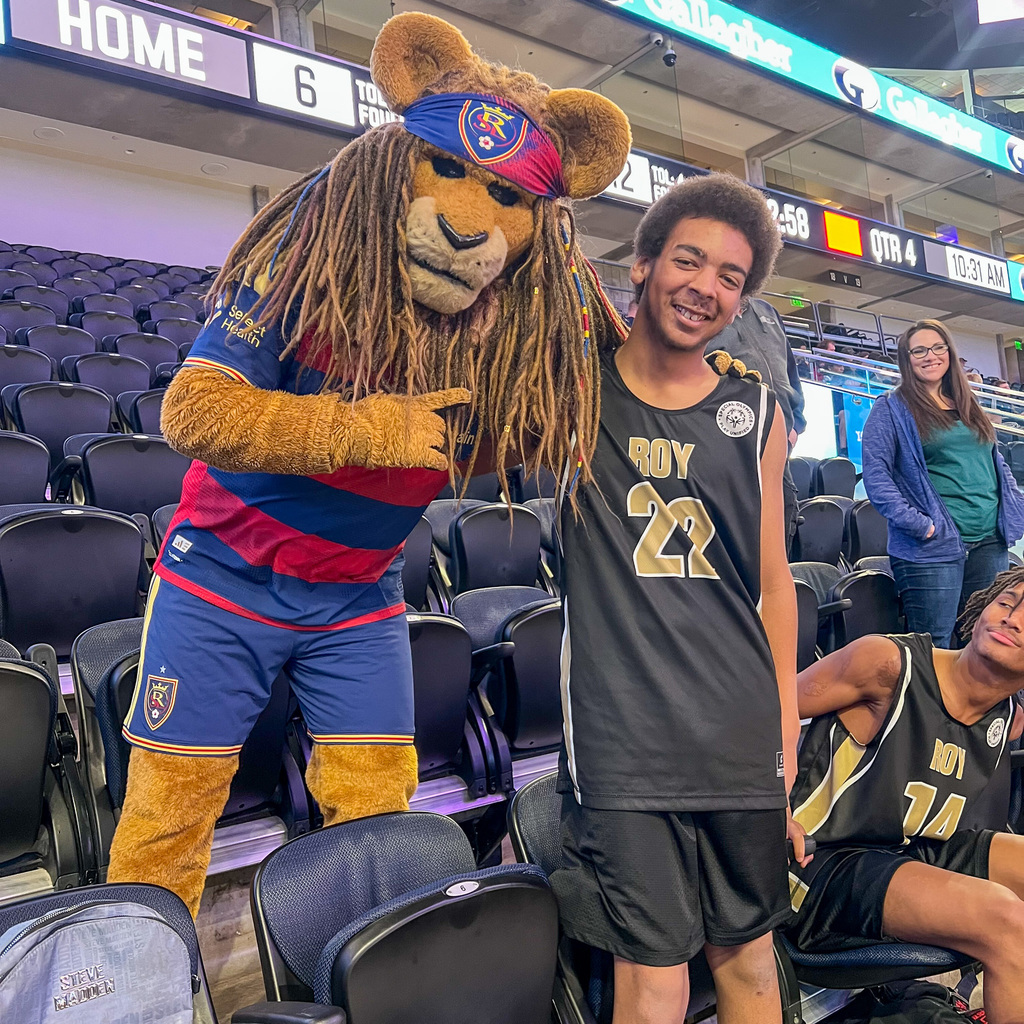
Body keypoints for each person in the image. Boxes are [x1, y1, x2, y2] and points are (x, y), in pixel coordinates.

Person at [550, 173, 807, 1024]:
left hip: (739, 735)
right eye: (688, 261)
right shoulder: (572, 396)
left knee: (751, 961)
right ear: (643, 264)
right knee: (652, 976)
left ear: (741, 303)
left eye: (729, 277)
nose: (705, 286)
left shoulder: (758, 411)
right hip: (622, 742)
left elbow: (775, 585)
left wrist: (785, 731)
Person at [787, 568, 1024, 1023]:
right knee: (1006, 920)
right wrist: (772, 806)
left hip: (912, 848)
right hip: (821, 862)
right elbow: (759, 715)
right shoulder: (887, 664)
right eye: (1006, 602)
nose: (1011, 619)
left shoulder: (1009, 717)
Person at [862, 320, 1024, 649]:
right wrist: (920, 525)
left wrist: (1014, 507)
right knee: (933, 646)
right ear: (906, 358)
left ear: (949, 352)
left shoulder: (966, 402)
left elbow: (994, 460)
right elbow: (876, 476)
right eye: (919, 350)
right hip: (932, 548)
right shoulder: (891, 408)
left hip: (989, 541)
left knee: (982, 641)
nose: (930, 356)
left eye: (938, 347)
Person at [712, 295, 807, 548]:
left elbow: (790, 372)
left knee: (782, 523)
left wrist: (796, 424)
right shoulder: (709, 307)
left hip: (778, 446)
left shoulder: (767, 311)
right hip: (729, 447)